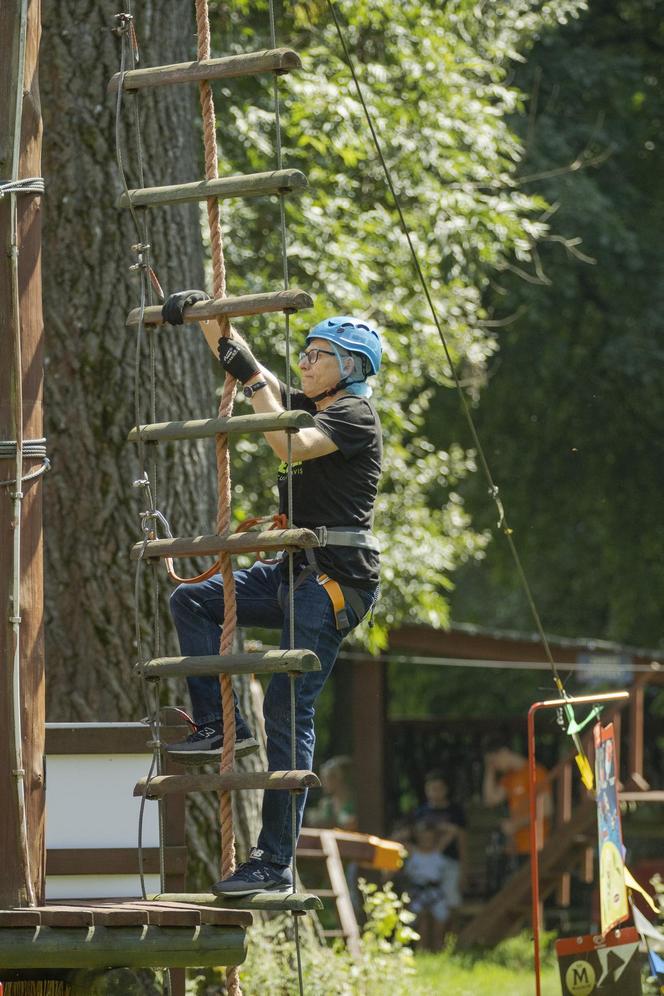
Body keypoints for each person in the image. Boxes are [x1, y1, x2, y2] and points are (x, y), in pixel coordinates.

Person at [161, 290, 382, 896]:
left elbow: (290, 444)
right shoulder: (312, 404)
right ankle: (222, 722)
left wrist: (261, 388)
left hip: (333, 582)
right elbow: (248, 365)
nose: (306, 363)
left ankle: (272, 860)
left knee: (288, 710)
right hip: (292, 573)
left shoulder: (353, 417)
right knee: (194, 600)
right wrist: (204, 319)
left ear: (352, 368)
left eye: (320, 355)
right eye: (306, 353)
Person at [394, 770, 466, 929]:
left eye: (438, 788)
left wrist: (464, 867)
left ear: (446, 790)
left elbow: (460, 837)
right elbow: (406, 835)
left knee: (452, 900)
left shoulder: (455, 811)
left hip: (449, 861)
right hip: (426, 868)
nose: (434, 793)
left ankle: (453, 936)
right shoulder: (420, 813)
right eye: (431, 789)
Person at [482, 744, 552, 879]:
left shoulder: (536, 772)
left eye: (494, 761)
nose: (494, 766)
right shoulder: (509, 778)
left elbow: (547, 809)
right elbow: (490, 800)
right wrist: (489, 771)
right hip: (516, 847)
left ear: (504, 751)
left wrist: (516, 824)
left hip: (536, 844)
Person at [403, 820, 457, 951]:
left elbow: (452, 831)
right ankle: (421, 953)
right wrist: (411, 830)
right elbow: (393, 841)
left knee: (440, 926)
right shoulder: (412, 851)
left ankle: (439, 953)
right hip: (418, 893)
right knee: (422, 925)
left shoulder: (437, 851)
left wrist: (435, 825)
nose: (427, 839)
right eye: (423, 836)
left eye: (430, 836)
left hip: (436, 893)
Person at [306, 755, 358, 831]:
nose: (323, 783)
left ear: (339, 778)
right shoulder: (326, 804)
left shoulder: (355, 803)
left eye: (328, 778)